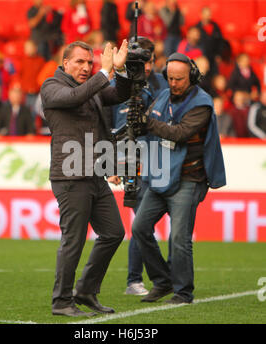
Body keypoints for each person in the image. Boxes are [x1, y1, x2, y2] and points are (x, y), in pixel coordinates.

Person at [40, 40, 131, 317]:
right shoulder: (51, 86)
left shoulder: (92, 88)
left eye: (89, 63)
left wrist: (121, 70)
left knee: (114, 232)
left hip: (94, 174)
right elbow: (73, 98)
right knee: (74, 239)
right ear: (64, 63)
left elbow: (119, 95)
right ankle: (61, 302)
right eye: (79, 61)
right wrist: (103, 74)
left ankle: (86, 291)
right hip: (70, 175)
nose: (85, 67)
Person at [131, 52, 226, 304]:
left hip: (189, 177)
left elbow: (180, 133)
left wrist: (147, 123)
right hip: (161, 174)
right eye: (170, 78)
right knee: (139, 227)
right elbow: (148, 121)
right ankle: (162, 281)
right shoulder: (162, 96)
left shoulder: (202, 103)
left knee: (179, 238)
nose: (173, 84)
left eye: (180, 79)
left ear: (192, 77)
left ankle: (183, 291)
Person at [108, 37, 168, 296]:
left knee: (145, 224)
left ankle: (146, 279)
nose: (144, 66)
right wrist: (114, 164)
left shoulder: (162, 83)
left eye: (147, 60)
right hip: (134, 162)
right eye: (140, 60)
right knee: (142, 223)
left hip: (160, 161)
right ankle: (136, 280)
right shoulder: (118, 85)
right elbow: (110, 127)